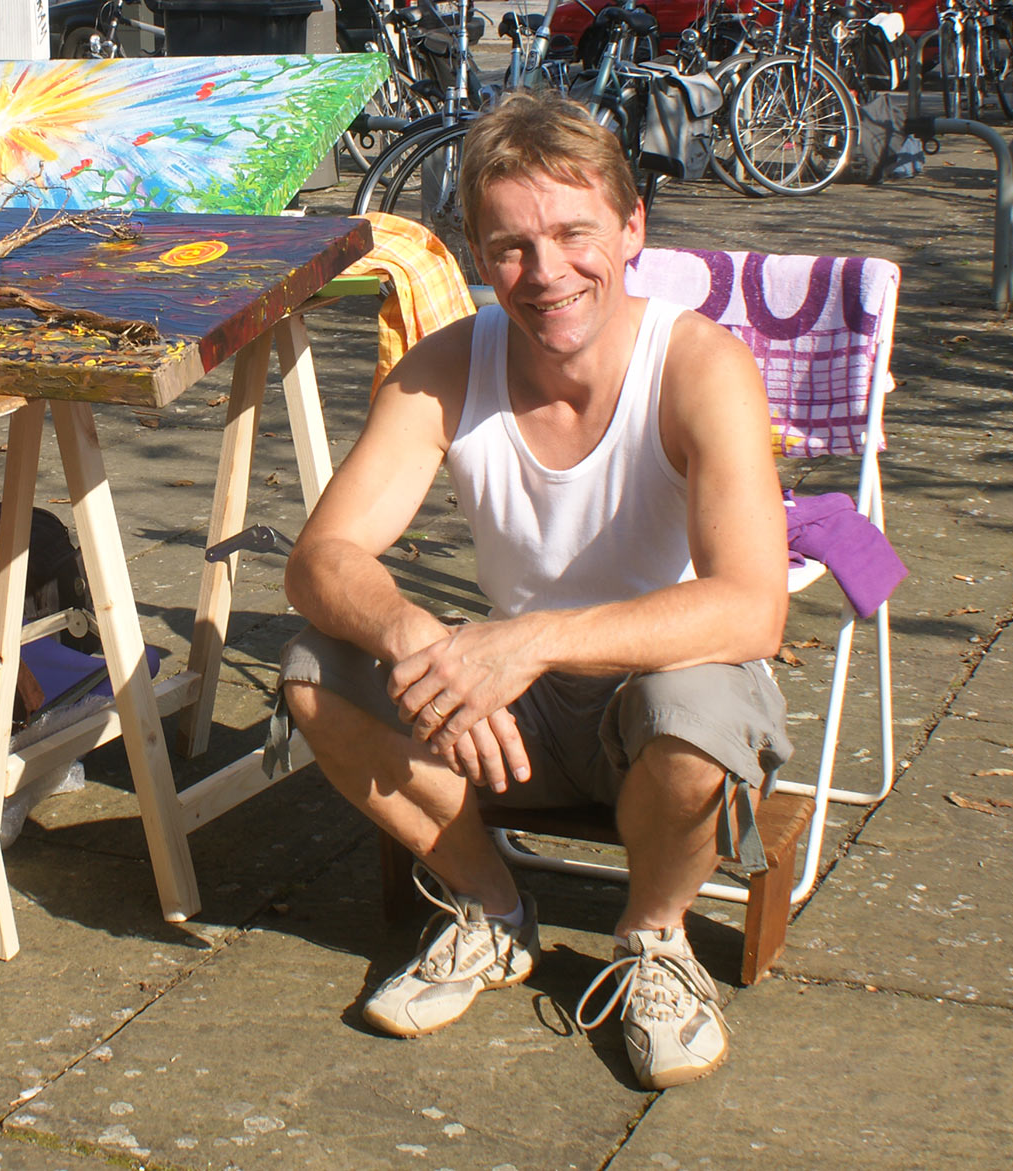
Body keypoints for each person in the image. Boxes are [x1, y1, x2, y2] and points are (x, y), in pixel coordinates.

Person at [279, 92, 790, 1091]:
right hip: (512, 722)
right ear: (475, 250)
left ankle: (653, 939)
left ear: (632, 227)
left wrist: (527, 641)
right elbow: (319, 558)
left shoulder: (698, 366)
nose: (546, 270)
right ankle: (488, 905)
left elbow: (749, 607)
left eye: (572, 233)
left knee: (696, 707)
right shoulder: (444, 368)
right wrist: (420, 635)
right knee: (314, 668)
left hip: (656, 698)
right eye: (510, 245)